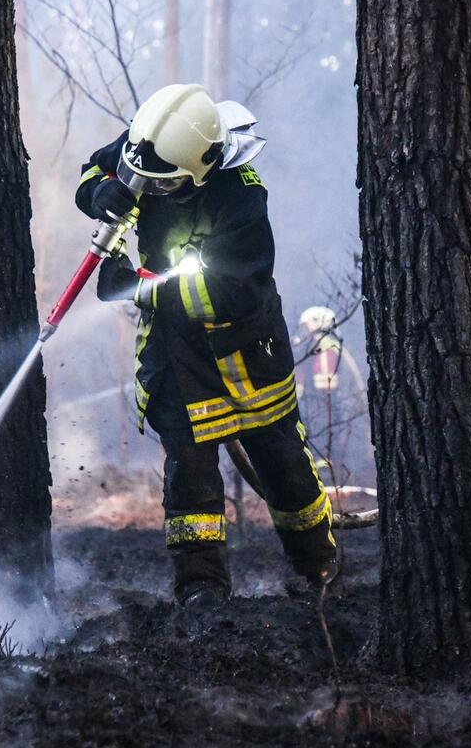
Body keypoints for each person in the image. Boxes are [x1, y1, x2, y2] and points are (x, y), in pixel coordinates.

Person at [75, 84, 340, 606]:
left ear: (204, 166)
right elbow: (96, 167)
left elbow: (226, 293)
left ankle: (316, 571)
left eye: (162, 184)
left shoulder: (241, 198)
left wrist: (137, 287)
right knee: (189, 477)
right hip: (174, 355)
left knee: (284, 465)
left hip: (245, 354)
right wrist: (98, 194)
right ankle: (201, 590)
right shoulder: (154, 141)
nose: (148, 188)